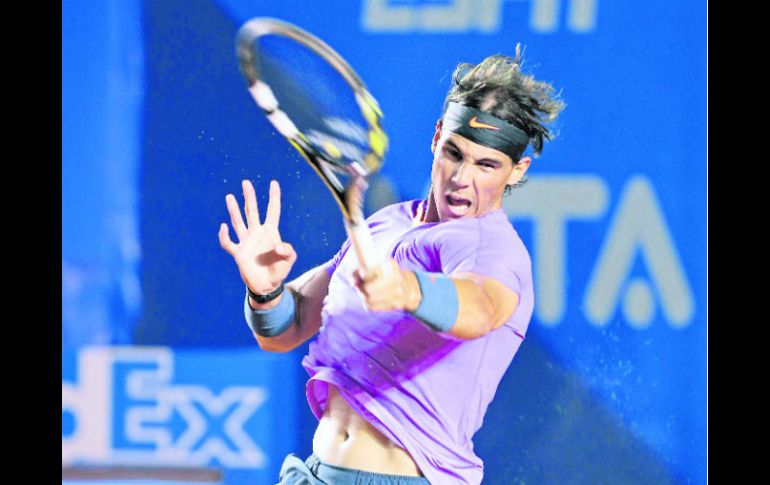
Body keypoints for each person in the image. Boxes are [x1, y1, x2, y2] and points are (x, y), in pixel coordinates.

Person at [219, 48, 564, 485]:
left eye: (487, 165)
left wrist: (408, 291)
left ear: (517, 171)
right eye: (454, 154)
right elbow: (288, 328)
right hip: (317, 473)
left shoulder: (493, 248)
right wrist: (265, 290)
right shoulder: (387, 223)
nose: (462, 178)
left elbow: (478, 308)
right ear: (437, 137)